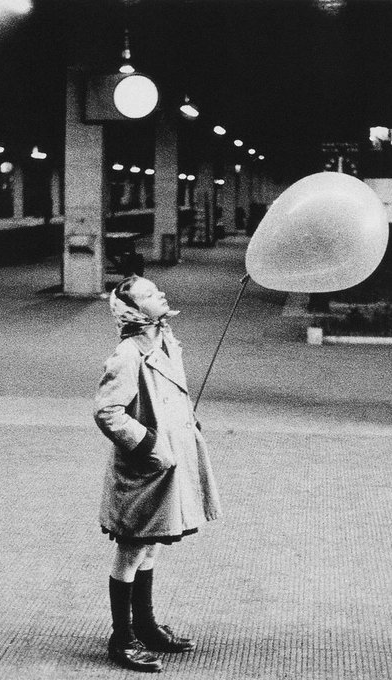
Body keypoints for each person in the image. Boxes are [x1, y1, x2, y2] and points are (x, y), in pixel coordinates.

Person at [94, 275, 222, 673]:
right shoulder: (128, 353)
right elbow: (107, 412)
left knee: (151, 544)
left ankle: (145, 626)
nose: (161, 294)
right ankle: (122, 637)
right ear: (133, 311)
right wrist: (150, 446)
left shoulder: (167, 341)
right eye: (149, 294)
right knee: (131, 549)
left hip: (169, 461)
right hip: (146, 465)